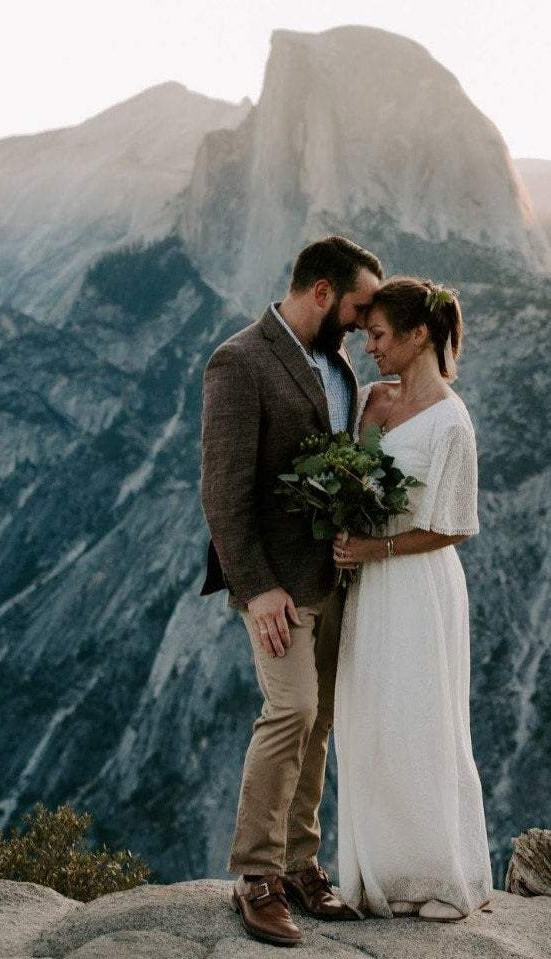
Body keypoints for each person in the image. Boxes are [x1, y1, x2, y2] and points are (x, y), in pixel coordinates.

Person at [200, 235, 383, 947]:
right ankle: (254, 876)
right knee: (291, 709)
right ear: (320, 292)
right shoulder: (239, 360)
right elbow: (222, 490)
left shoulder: (336, 365)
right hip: (276, 586)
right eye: (359, 306)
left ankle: (301, 864)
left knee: (320, 721)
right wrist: (258, 588)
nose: (366, 323)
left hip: (334, 579)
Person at [332, 277, 494, 922]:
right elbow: (346, 474)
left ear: (417, 334)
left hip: (419, 582)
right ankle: (378, 875)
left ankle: (436, 878)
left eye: (376, 335)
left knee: (422, 722)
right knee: (369, 719)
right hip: (367, 585)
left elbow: (457, 523)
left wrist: (381, 549)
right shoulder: (370, 401)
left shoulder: (452, 421)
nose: (367, 347)